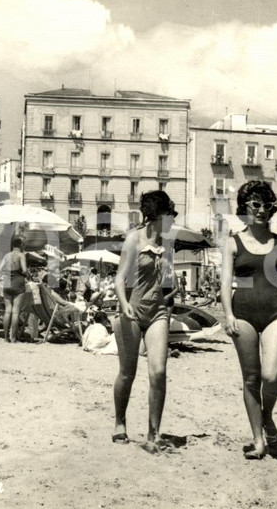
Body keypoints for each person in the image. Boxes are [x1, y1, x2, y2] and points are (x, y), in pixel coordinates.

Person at [221, 180, 277, 460]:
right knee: (252, 378)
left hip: (275, 313)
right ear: (245, 207)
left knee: (272, 375)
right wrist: (228, 315)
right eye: (255, 204)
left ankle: (267, 417)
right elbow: (226, 283)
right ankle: (258, 440)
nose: (261, 210)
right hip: (242, 313)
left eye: (267, 205)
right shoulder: (233, 241)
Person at [112, 190, 177, 453]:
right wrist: (124, 304)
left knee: (159, 372)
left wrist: (172, 289)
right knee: (128, 373)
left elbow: (167, 281)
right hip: (132, 311)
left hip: (158, 312)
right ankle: (119, 421)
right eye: (168, 217)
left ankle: (154, 433)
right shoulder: (133, 240)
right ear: (154, 217)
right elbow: (119, 279)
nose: (171, 222)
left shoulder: (168, 242)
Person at [0, 236, 28, 343]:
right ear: (20, 245)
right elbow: (24, 270)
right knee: (15, 312)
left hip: (7, 282)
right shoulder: (21, 255)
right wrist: (27, 274)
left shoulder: (7, 255)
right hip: (18, 282)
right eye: (24, 244)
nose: (25, 245)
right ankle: (13, 338)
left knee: (7, 311)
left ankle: (6, 338)